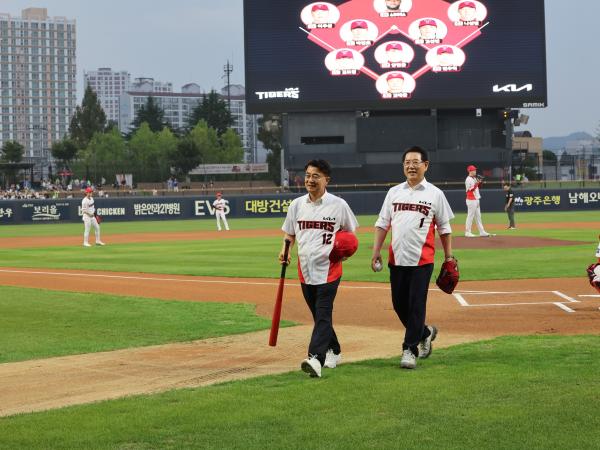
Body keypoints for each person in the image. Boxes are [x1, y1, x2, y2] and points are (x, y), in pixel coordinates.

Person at [371, 146, 454, 369]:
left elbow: (444, 228)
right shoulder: (394, 192)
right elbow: (382, 224)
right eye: (407, 162)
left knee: (416, 305)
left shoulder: (435, 194)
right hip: (396, 259)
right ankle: (425, 332)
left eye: (416, 162)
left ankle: (409, 349)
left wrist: (449, 257)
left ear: (425, 165)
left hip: (422, 260)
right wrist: (376, 251)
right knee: (399, 305)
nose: (411, 166)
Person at [279, 159, 359, 378]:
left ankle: (315, 358)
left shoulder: (338, 205)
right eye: (307, 175)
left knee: (323, 313)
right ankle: (335, 348)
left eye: (315, 176)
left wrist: (344, 251)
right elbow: (289, 234)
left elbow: (351, 235)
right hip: (305, 270)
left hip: (329, 269)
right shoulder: (297, 205)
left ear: (326, 180)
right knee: (319, 315)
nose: (310, 180)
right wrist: (285, 249)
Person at [465, 165, 490, 237]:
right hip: (471, 200)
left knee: (478, 216)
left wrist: (480, 182)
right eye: (474, 170)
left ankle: (482, 231)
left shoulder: (474, 178)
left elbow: (477, 187)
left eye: (475, 170)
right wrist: (477, 183)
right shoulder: (468, 179)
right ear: (470, 171)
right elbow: (471, 189)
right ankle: (467, 232)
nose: (475, 171)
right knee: (470, 216)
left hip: (476, 199)